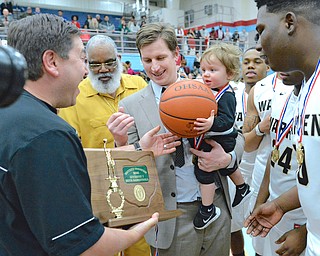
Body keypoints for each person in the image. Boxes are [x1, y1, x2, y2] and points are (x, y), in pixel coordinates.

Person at [0, 14, 181, 256]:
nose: (86, 71)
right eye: (82, 60)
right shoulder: (48, 134)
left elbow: (70, 169)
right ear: (51, 62)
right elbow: (81, 244)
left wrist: (137, 150)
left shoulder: (10, 112)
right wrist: (136, 232)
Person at [108, 22, 245, 256]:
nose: (155, 66)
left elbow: (238, 135)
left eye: (161, 57)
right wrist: (123, 142)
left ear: (177, 57)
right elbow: (124, 164)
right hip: (171, 215)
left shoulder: (208, 90)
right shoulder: (130, 105)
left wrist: (227, 157)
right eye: (148, 60)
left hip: (216, 206)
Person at [58, 35, 149, 255]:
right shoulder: (74, 96)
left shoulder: (139, 85)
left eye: (109, 62)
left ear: (119, 59)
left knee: (141, 246)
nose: (103, 69)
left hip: (140, 184)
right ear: (85, 63)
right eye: (95, 64)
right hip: (97, 191)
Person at [244, 1, 320, 255]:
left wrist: (306, 229)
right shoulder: (306, 88)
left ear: (289, 23)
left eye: (261, 29)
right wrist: (279, 205)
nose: (258, 43)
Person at [189, 43, 252, 230]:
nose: (206, 74)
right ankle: (242, 188)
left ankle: (208, 209)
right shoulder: (209, 92)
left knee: (202, 170)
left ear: (230, 74)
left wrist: (211, 124)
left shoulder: (227, 96)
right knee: (225, 168)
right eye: (203, 70)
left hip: (223, 137)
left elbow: (226, 120)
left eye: (213, 70)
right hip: (219, 138)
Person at [255, 70, 307, 256]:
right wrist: (259, 201)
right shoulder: (280, 96)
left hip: (306, 217)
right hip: (274, 208)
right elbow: (274, 154)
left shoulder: (314, 104)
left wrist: (306, 231)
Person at [230, 47, 270, 256]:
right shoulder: (231, 94)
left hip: (263, 170)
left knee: (260, 227)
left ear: (268, 65)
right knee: (233, 227)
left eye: (257, 61)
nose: (251, 66)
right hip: (235, 169)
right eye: (246, 62)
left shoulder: (274, 93)